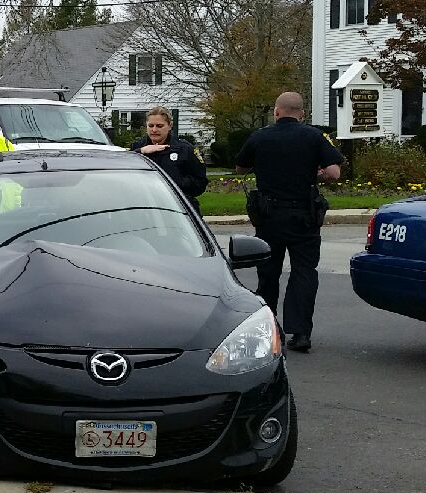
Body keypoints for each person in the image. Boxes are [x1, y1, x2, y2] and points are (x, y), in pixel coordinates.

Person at [234, 92, 344, 353]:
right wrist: (314, 174)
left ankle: (269, 330)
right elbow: (334, 172)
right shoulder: (314, 136)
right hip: (304, 216)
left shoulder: (260, 136)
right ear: (302, 114)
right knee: (304, 272)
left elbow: (240, 167)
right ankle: (301, 332)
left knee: (268, 273)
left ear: (276, 112)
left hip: (269, 217)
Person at [130, 106, 208, 207]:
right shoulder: (137, 147)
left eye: (159, 126)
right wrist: (140, 152)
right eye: (151, 125)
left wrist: (175, 183)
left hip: (177, 206)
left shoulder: (185, 149)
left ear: (169, 126)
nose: (154, 130)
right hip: (145, 206)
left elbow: (200, 182)